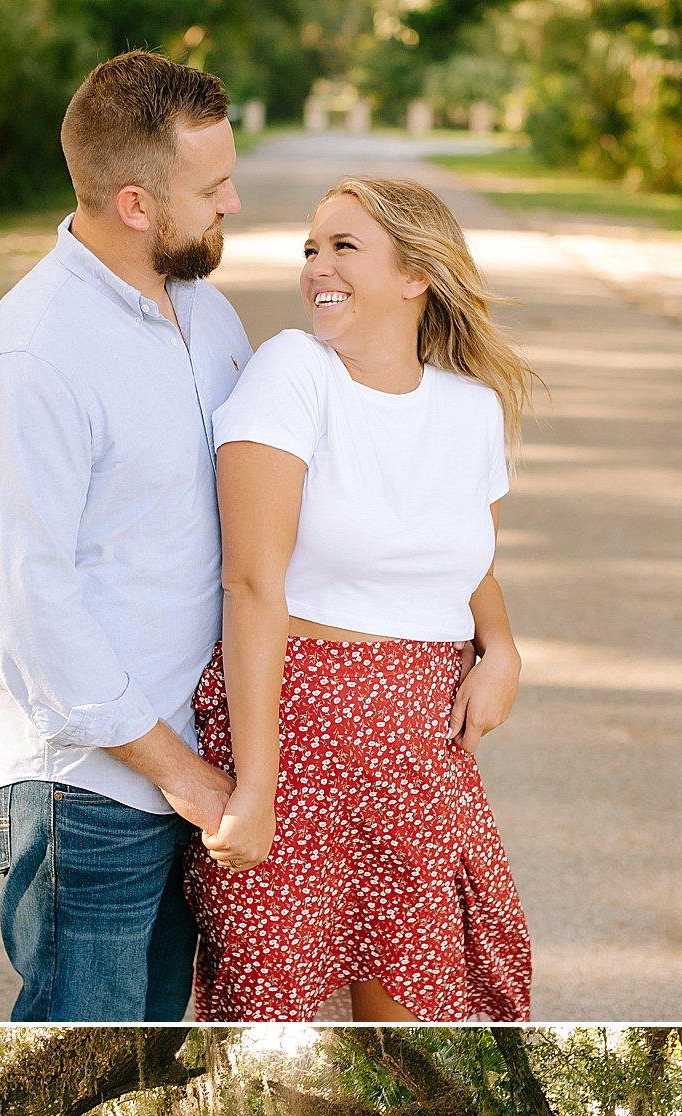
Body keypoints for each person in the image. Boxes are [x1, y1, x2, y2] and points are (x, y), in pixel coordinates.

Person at [182, 176, 535, 1022]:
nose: (316, 269)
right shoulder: (294, 372)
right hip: (299, 729)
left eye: (344, 247)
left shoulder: (471, 410)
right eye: (310, 249)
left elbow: (460, 553)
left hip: (419, 742)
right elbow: (252, 581)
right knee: (271, 1014)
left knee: (424, 1014)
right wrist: (256, 787)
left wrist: (503, 647)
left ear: (417, 274)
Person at [0, 52, 250, 1021]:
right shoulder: (32, 355)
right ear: (135, 202)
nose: (233, 204)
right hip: (87, 777)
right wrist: (181, 774)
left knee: (150, 1033)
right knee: (87, 1033)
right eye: (211, 188)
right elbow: (31, 615)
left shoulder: (205, 315)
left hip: (185, 758)